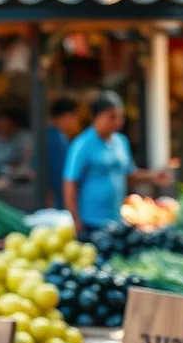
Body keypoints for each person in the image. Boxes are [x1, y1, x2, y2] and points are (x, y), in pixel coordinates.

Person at [63, 91, 171, 236]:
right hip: (90, 221)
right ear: (96, 116)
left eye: (120, 117)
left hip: (116, 218)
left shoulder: (121, 142)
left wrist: (152, 176)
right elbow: (70, 183)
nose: (117, 122)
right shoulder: (82, 145)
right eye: (111, 117)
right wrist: (75, 219)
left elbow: (128, 175)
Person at [46, 98, 80, 208]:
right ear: (65, 116)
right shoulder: (55, 138)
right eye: (74, 116)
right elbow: (59, 173)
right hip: (56, 198)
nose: (75, 121)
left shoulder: (56, 136)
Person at [0, 108, 33, 177]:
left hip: (19, 179)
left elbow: (27, 163)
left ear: (13, 124)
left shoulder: (25, 138)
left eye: (3, 124)